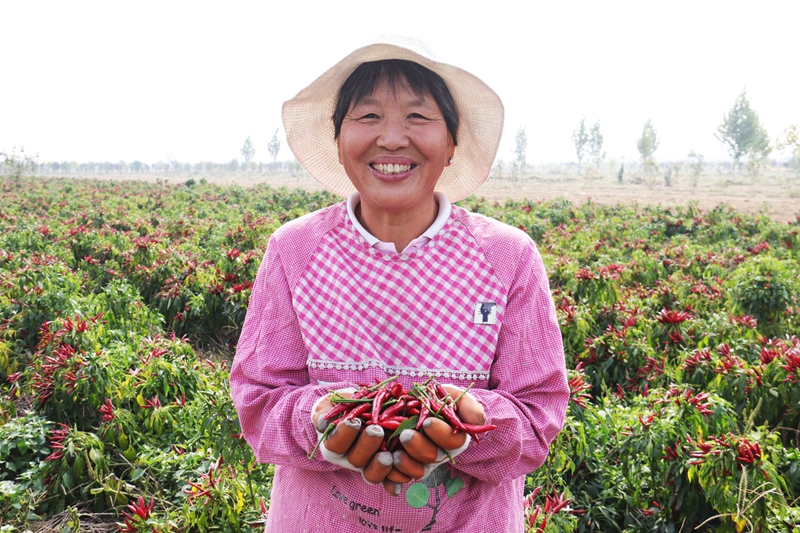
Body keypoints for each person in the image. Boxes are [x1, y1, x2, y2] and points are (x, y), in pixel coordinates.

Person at [230, 41, 569, 533]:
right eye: (367, 116)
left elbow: (539, 414)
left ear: (452, 142)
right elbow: (258, 401)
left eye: (417, 116)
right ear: (339, 138)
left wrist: (472, 423)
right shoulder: (296, 252)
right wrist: (320, 419)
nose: (391, 138)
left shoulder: (507, 258)